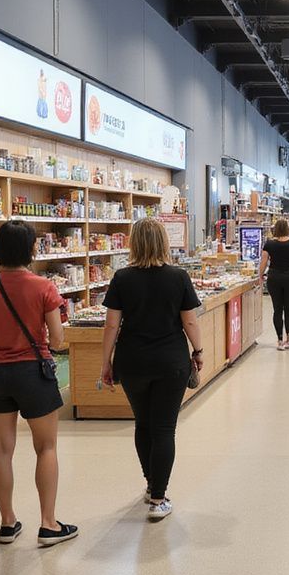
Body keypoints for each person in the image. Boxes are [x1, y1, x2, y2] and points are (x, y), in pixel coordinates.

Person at [0, 220, 78, 547]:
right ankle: (48, 524)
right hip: (33, 372)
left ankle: (7, 522)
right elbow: (58, 339)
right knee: (45, 447)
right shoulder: (44, 287)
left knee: (1, 449)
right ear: (32, 249)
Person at [99, 217, 204, 521]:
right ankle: (159, 497)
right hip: (170, 361)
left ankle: (150, 484)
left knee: (143, 424)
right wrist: (197, 351)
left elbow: (111, 325)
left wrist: (106, 362)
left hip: (132, 362)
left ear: (133, 243)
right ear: (163, 242)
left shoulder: (122, 278)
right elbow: (190, 321)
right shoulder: (178, 277)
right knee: (164, 429)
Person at [259, 218, 289, 350]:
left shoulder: (269, 245)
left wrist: (260, 275)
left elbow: (263, 262)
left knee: (277, 309)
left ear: (276, 230)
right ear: (287, 229)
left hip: (274, 278)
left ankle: (279, 340)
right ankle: (288, 339)